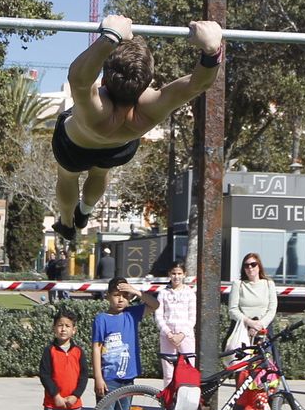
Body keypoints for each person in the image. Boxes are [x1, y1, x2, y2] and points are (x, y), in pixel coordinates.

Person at [51, 14, 224, 244]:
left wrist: (110, 37)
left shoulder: (95, 107)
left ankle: (66, 223)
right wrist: (212, 51)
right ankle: (84, 211)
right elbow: (198, 84)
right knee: (101, 171)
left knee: (67, 176)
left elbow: (78, 78)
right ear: (146, 82)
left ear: (104, 79)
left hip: (74, 146)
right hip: (120, 148)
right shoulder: (151, 106)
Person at [91, 278, 156, 410]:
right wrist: (98, 377)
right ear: (108, 296)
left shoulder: (132, 314)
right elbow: (96, 347)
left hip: (127, 379)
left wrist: (135, 291)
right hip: (108, 379)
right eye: (117, 295)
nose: (120, 299)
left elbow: (155, 304)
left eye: (124, 296)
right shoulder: (102, 319)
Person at [226, 253, 276, 354]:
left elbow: (272, 309)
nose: (250, 268)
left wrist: (259, 326)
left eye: (253, 264)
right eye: (246, 265)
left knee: (266, 365)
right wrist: (249, 323)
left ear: (259, 266)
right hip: (242, 331)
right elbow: (233, 310)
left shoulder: (269, 284)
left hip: (264, 331)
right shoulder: (238, 284)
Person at [156, 262, 196, 384]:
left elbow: (192, 318)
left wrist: (182, 334)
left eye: (179, 273)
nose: (176, 277)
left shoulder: (190, 293)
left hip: (185, 336)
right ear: (169, 274)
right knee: (168, 373)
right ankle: (168, 401)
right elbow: (158, 316)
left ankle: (188, 400)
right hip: (167, 336)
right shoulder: (163, 293)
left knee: (188, 369)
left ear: (184, 275)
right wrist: (169, 334)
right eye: (173, 273)